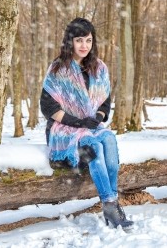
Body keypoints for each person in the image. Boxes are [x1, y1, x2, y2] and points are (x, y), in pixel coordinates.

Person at [40, 17, 133, 229]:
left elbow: (105, 101)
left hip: (91, 125)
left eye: (88, 40)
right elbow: (48, 107)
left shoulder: (98, 68)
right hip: (63, 128)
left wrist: (96, 119)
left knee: (108, 139)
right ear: (70, 41)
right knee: (94, 148)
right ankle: (109, 204)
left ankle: (113, 202)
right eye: (79, 40)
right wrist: (79, 122)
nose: (84, 46)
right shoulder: (58, 69)